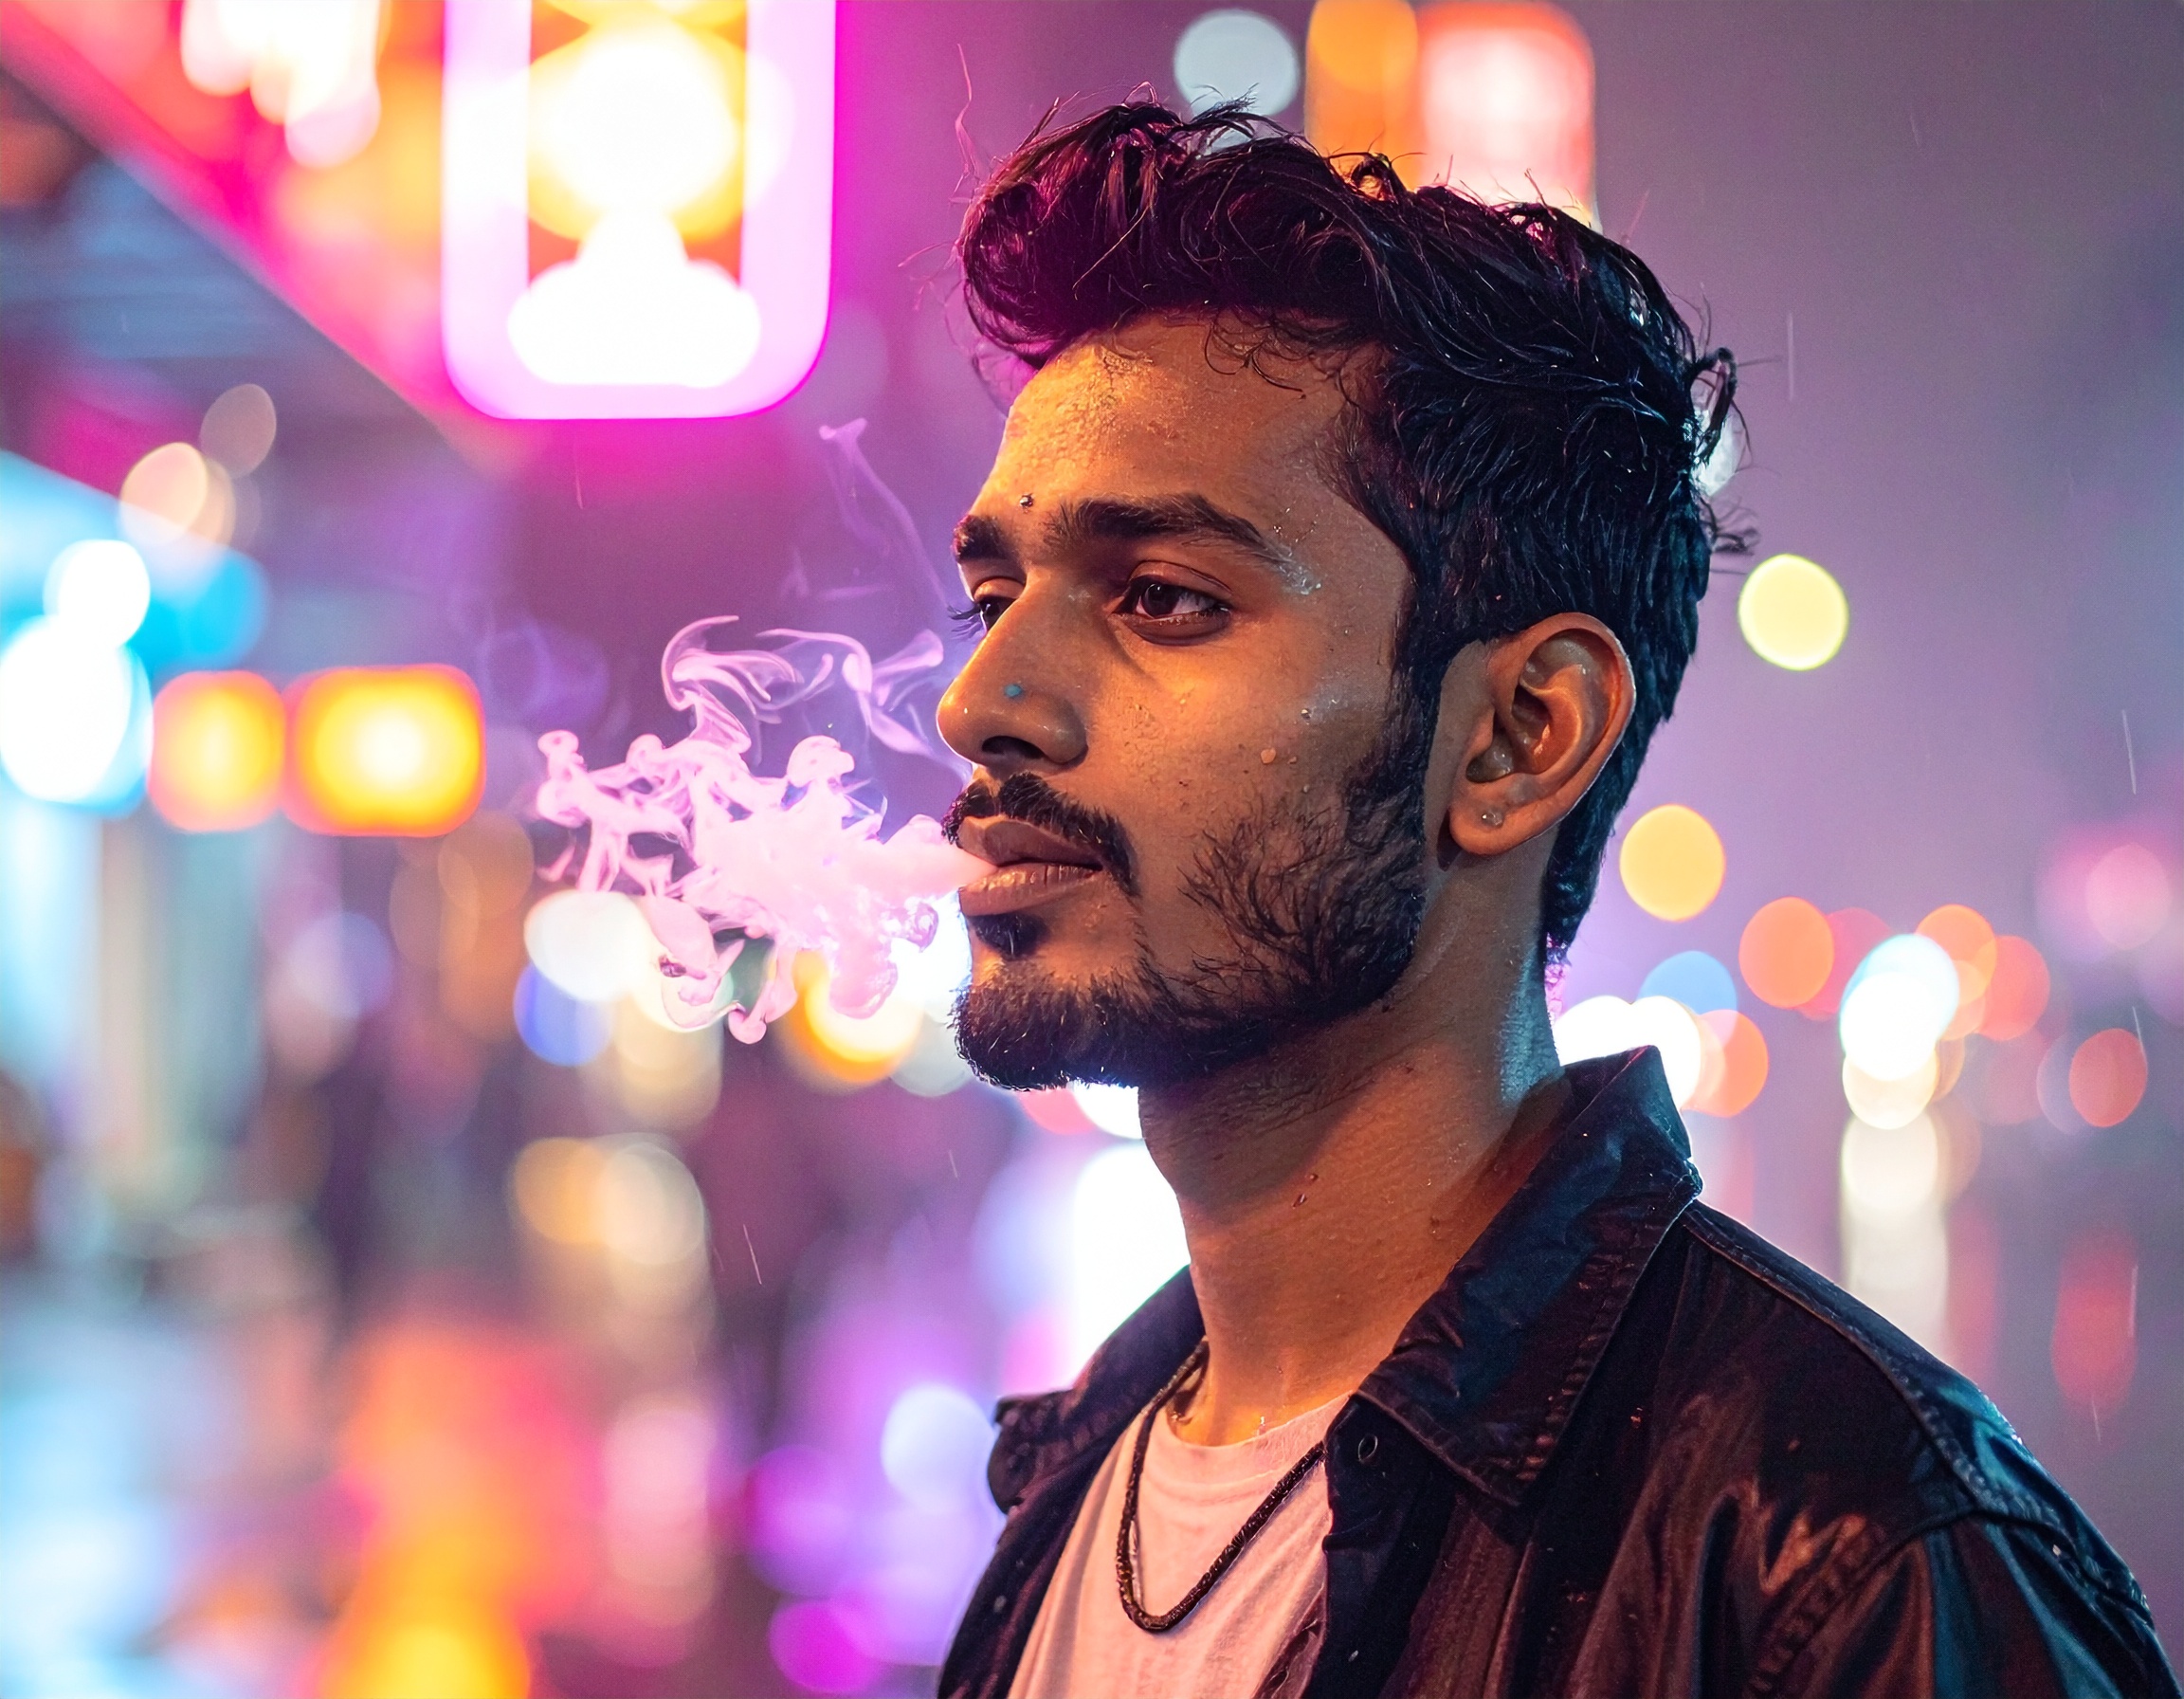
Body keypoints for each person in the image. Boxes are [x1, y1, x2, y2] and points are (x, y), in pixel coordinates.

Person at [928, 102, 2175, 1699]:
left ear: (1519, 737)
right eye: (990, 595)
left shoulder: (1849, 1559)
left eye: (1165, 598)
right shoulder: (1073, 1493)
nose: (984, 699)